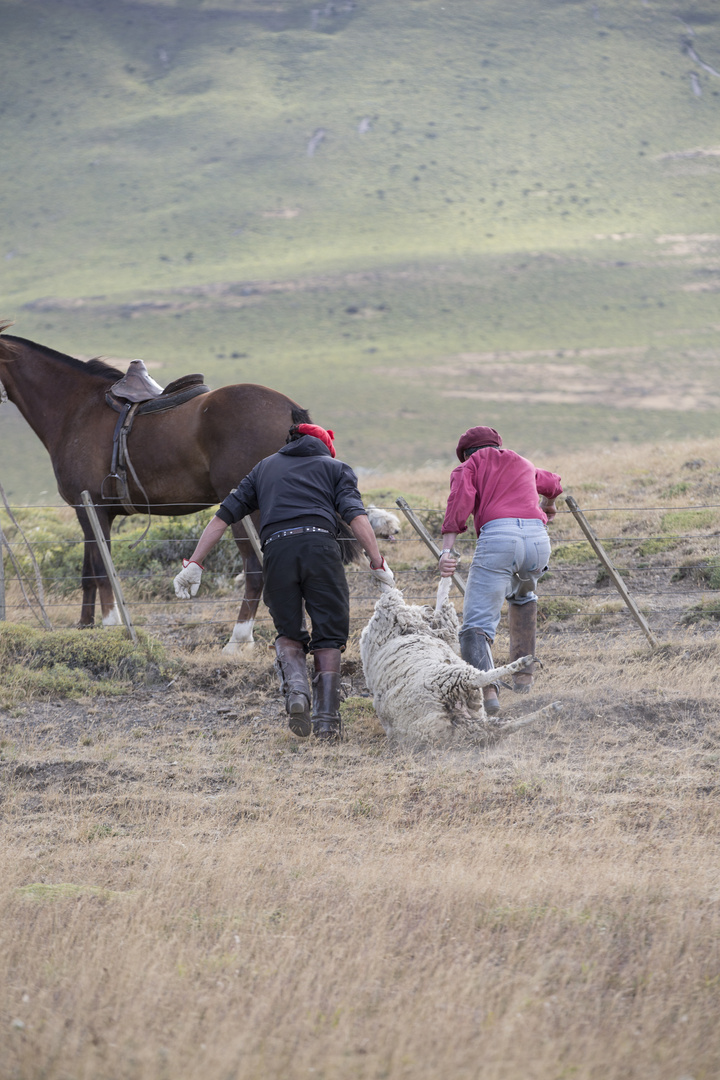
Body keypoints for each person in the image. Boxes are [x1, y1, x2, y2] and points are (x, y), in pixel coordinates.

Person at [172, 423, 394, 741]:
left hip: (277, 551)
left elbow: (223, 517)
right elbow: (356, 516)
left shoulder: (263, 468)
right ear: (324, 448)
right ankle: (328, 723)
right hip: (321, 549)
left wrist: (195, 563)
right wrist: (377, 562)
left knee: (289, 632)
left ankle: (298, 693)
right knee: (329, 635)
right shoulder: (336, 468)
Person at [438, 425, 562, 715]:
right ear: (497, 445)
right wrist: (550, 506)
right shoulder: (522, 462)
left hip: (499, 538)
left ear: (466, 454)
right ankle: (523, 676)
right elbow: (554, 482)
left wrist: (447, 550)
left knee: (475, 625)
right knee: (523, 597)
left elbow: (459, 503)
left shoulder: (469, 466)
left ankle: (488, 693)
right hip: (537, 540)